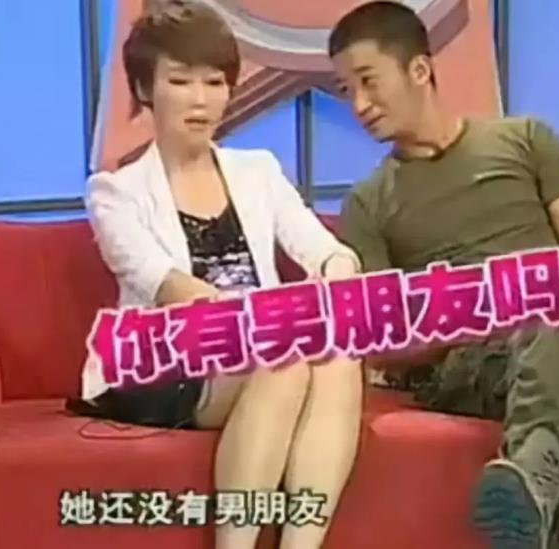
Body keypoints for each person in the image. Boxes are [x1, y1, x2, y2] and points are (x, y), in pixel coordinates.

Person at [327, 2, 559, 548]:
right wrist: (482, 311)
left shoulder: (526, 139)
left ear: (419, 68)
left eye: (368, 81)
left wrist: (540, 299)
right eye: (346, 91)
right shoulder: (367, 203)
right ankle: (543, 484)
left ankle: (532, 479)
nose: (359, 105)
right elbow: (385, 341)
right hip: (472, 360)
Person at [79, 2, 363, 548]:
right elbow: (168, 286)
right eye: (180, 81)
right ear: (144, 89)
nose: (200, 99)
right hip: (163, 361)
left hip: (263, 350)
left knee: (336, 356)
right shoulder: (114, 192)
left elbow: (322, 248)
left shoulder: (258, 171)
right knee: (286, 355)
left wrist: (337, 270)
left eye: (214, 82)